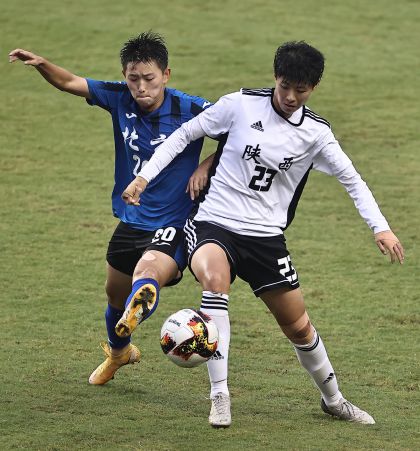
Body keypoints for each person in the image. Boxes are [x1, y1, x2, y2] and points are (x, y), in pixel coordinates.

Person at [120, 41, 404, 428]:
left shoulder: (316, 134)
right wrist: (143, 178)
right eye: (284, 86)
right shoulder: (240, 104)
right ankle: (220, 396)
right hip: (214, 222)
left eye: (300, 90)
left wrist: (380, 227)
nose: (290, 97)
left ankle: (334, 400)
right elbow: (185, 134)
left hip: (265, 238)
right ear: (275, 77)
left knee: (299, 327)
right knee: (214, 280)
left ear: (313, 88)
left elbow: (352, 180)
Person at [9, 31, 215, 385]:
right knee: (114, 295)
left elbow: (238, 134)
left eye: (149, 78)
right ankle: (119, 352)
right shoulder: (119, 97)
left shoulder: (191, 109)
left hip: (175, 222)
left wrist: (206, 166)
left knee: (148, 273)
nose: (141, 87)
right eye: (133, 79)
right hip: (132, 218)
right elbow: (71, 82)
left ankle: (142, 299)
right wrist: (42, 64)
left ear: (166, 75)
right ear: (125, 76)